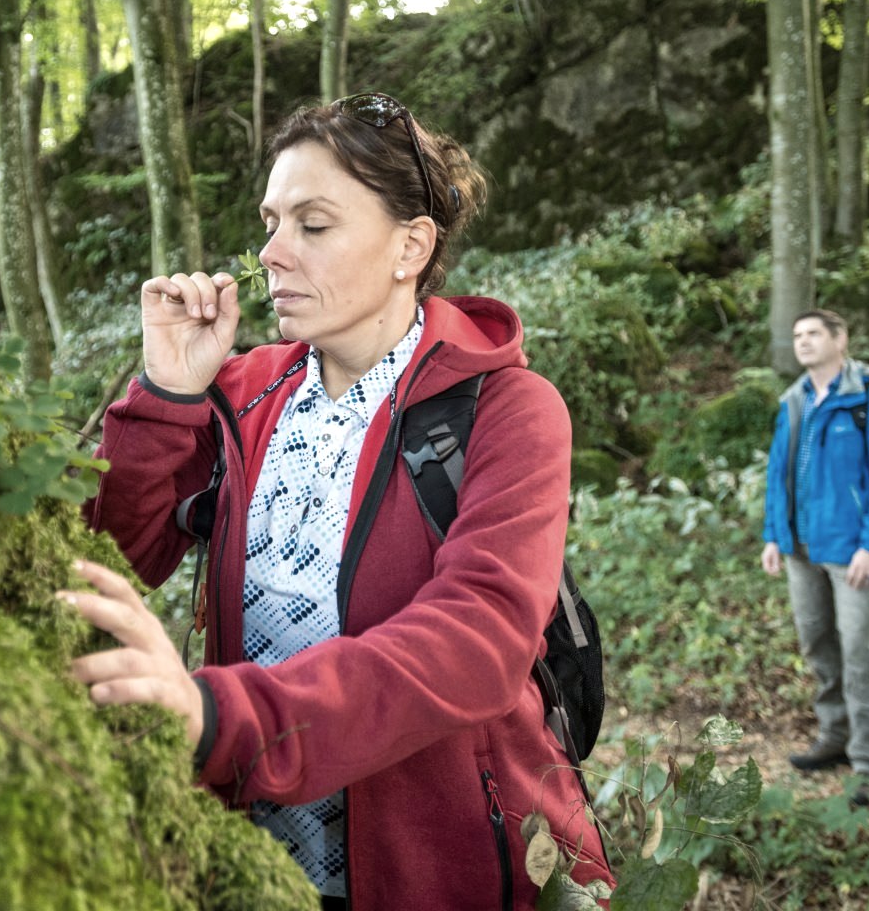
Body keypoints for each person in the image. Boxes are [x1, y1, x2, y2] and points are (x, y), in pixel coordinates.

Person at [58, 93, 613, 909]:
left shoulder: (508, 409)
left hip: (445, 869)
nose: (272, 253)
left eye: (313, 226)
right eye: (270, 223)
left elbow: (479, 642)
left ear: (410, 246)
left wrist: (223, 718)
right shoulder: (242, 394)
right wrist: (168, 393)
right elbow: (116, 553)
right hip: (259, 866)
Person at [761, 309, 869, 807]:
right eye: (797, 334)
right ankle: (835, 737)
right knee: (818, 644)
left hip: (853, 551)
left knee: (860, 653)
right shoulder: (794, 400)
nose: (803, 341)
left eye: (813, 333)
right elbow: (778, 474)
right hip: (801, 549)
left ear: (840, 339)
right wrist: (774, 535)